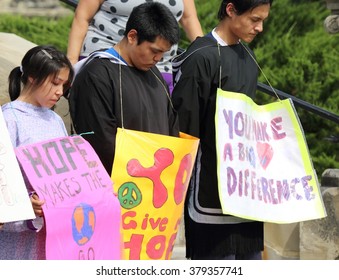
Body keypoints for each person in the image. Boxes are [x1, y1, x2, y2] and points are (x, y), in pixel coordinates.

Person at [171, 0, 273, 260]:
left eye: (263, 20)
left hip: (245, 190)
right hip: (208, 190)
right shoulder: (201, 57)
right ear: (230, 10)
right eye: (254, 20)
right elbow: (184, 127)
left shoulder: (248, 57)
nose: (260, 28)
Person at [69, 2, 180, 175]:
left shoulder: (155, 74)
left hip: (156, 183)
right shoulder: (96, 74)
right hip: (121, 184)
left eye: (163, 53)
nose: (158, 58)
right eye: (154, 50)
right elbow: (100, 140)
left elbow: (171, 125)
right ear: (132, 36)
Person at [0, 45, 74, 259]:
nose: (60, 92)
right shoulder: (8, 119)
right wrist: (24, 203)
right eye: (55, 83)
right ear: (32, 77)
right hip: (16, 241)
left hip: (52, 234)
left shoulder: (56, 120)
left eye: (64, 85)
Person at [66, 0, 203, 92]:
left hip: (161, 65)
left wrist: (205, 52)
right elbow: (82, 16)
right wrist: (71, 62)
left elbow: (189, 18)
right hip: (108, 58)